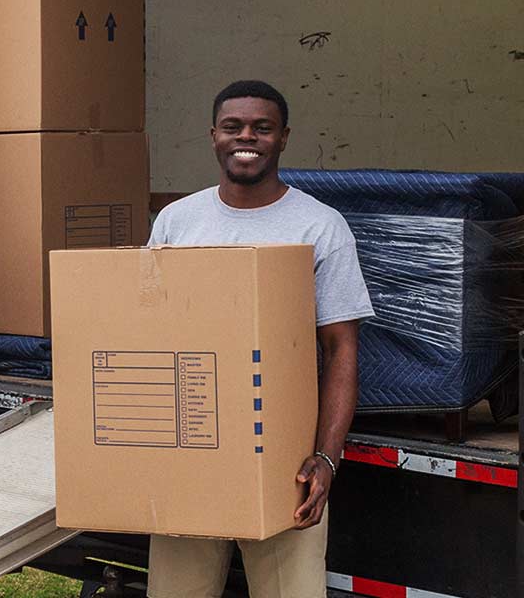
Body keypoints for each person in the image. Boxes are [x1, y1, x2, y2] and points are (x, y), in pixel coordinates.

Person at [146, 80, 374, 598]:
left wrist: (327, 458)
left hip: (285, 464)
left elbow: (341, 348)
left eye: (261, 128)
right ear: (213, 136)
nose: (246, 137)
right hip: (191, 451)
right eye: (233, 127)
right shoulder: (177, 221)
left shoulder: (319, 226)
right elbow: (151, 342)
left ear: (284, 138)